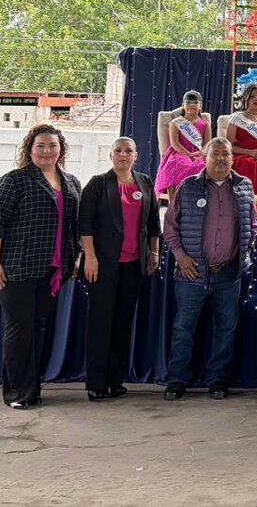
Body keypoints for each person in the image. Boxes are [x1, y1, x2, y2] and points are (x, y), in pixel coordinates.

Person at [0, 123, 82, 409]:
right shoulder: (13, 180)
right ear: (30, 149)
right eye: (40, 145)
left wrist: (74, 257)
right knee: (20, 328)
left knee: (38, 327)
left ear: (61, 149)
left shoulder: (71, 182)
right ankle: (17, 393)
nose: (47, 151)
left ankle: (32, 388)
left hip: (54, 270)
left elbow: (74, 226)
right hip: (16, 268)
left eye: (52, 145)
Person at [162, 137, 257, 401]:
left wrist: (245, 255)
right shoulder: (188, 187)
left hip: (228, 273)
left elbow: (253, 225)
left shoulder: (244, 186)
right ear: (205, 158)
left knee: (226, 329)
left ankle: (218, 379)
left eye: (225, 155)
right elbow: (170, 227)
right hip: (192, 273)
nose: (220, 159)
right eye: (214, 155)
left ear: (232, 158)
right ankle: (177, 379)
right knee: (184, 328)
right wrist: (181, 257)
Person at [79, 137, 161, 401]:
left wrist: (154, 251)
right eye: (118, 151)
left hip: (134, 266)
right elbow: (85, 226)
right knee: (101, 323)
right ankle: (96, 382)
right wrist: (89, 258)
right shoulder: (98, 184)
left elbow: (152, 223)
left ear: (136, 155)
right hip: (103, 265)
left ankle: (116, 380)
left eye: (128, 151)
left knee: (123, 323)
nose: (123, 155)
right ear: (111, 155)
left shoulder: (145, 182)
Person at [154, 90, 209, 200]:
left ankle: (198, 199)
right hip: (179, 152)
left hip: (198, 152)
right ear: (183, 105)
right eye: (188, 102)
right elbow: (175, 143)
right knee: (175, 164)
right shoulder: (176, 122)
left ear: (200, 106)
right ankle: (173, 200)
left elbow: (208, 142)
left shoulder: (205, 123)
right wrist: (188, 154)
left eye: (195, 103)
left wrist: (202, 152)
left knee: (203, 166)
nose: (191, 105)